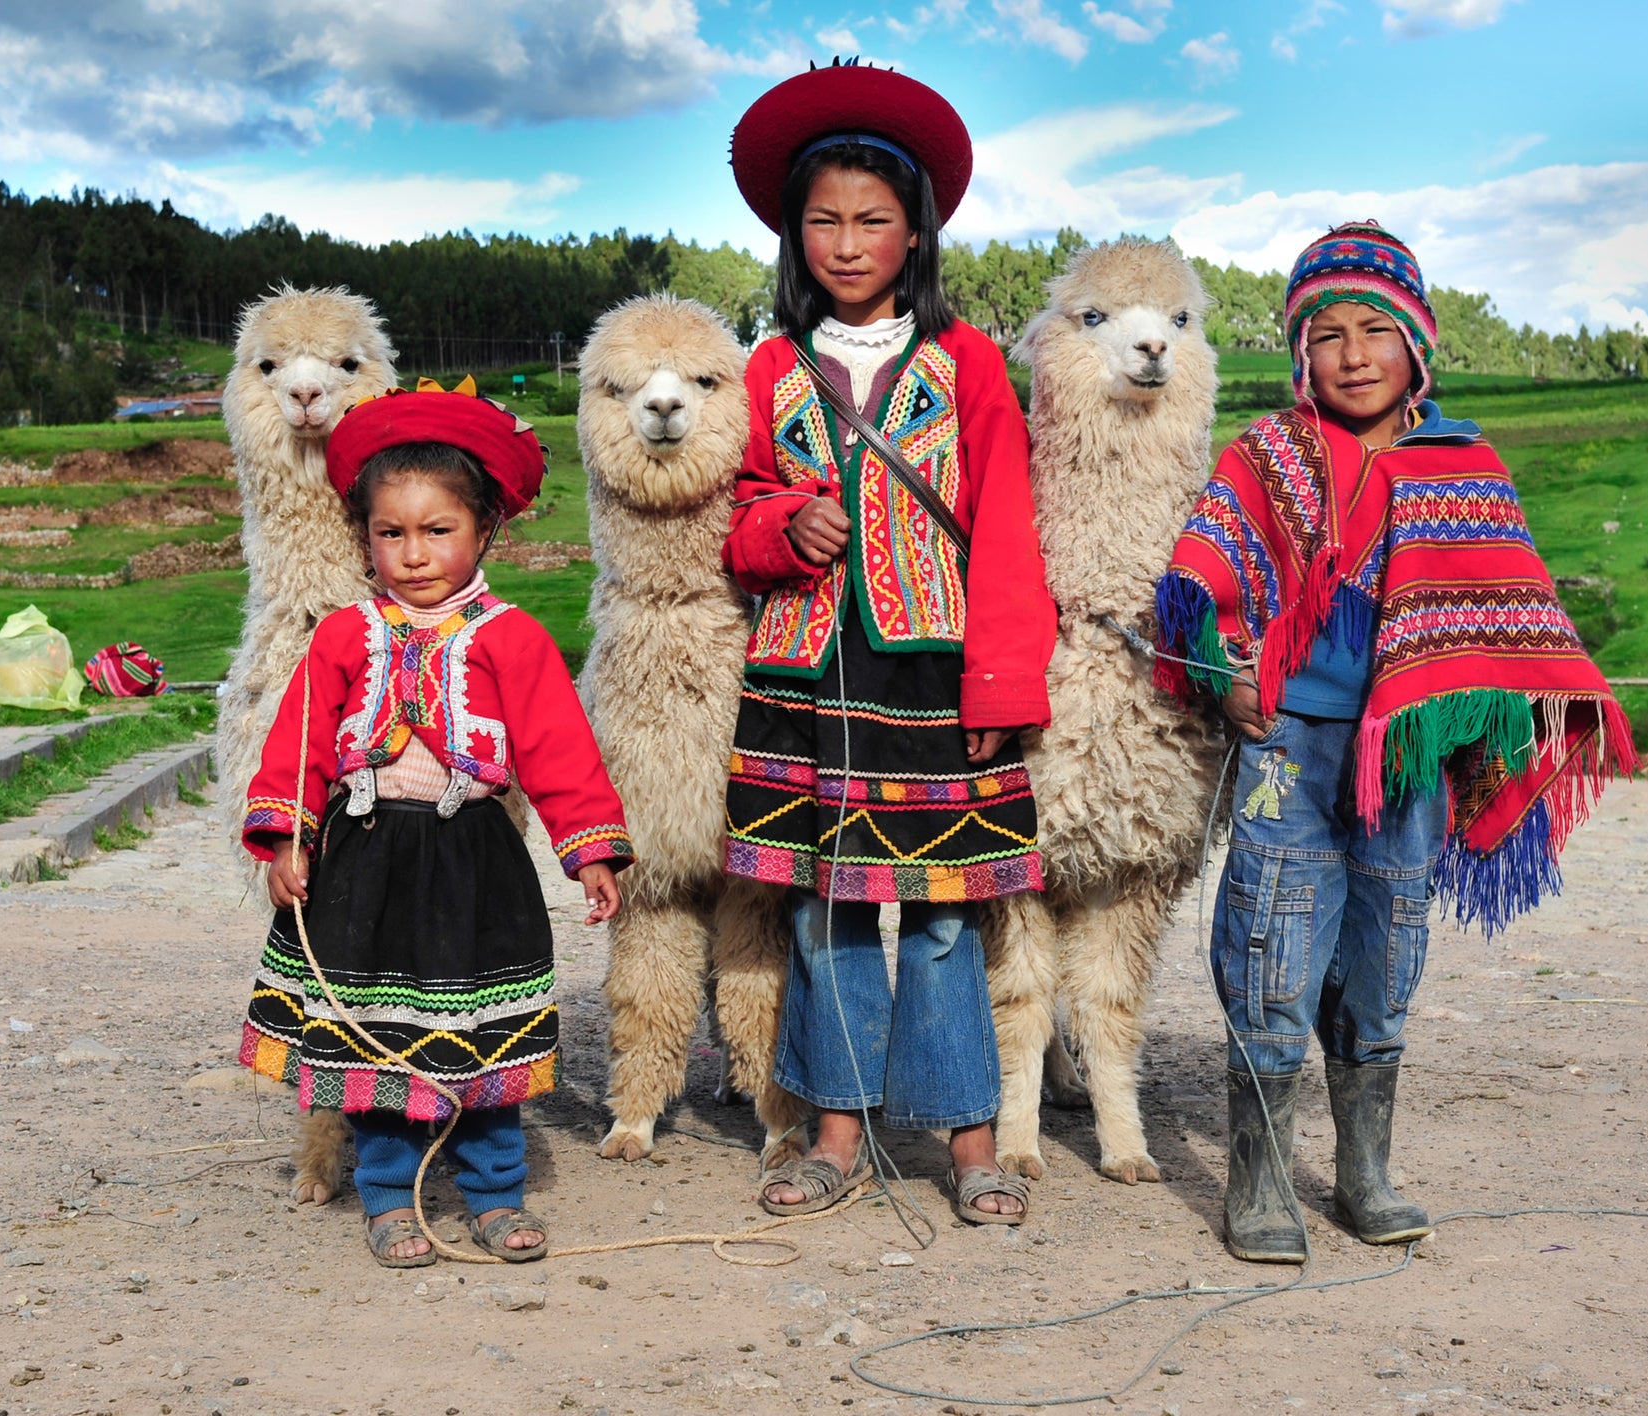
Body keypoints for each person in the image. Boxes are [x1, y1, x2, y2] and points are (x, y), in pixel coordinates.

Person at [1154, 223, 1635, 1262]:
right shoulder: (1267, 455)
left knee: (1385, 958)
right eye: (1328, 334)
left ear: (1417, 343)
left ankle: (1364, 1168)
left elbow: (1510, 614)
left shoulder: (1463, 467)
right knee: (1271, 948)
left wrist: (1493, 715)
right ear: (1299, 354)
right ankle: (1264, 1178)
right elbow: (1207, 584)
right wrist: (1225, 670)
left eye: (1377, 329)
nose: (1354, 353)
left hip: (1406, 763)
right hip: (1293, 744)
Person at [720, 61, 1057, 1225]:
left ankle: (970, 1143)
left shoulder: (965, 366)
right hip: (808, 671)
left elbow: (1006, 524)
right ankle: (835, 1133)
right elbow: (740, 504)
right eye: (825, 220)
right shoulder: (767, 369)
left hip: (933, 666)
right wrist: (779, 526)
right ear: (791, 232)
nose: (848, 243)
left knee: (949, 906)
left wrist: (1003, 678)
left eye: (872, 219)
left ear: (914, 230)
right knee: (827, 905)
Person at [235, 377, 633, 1268]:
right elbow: (298, 744)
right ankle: (390, 1197)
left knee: (479, 1033)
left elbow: (560, 753)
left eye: (437, 530)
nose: (413, 554)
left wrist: (591, 854)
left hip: (471, 857)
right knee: (378, 1036)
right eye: (390, 533)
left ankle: (493, 1192)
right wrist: (288, 836)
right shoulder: (343, 635)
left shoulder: (513, 637)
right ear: (365, 536)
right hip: (364, 858)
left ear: (484, 529)